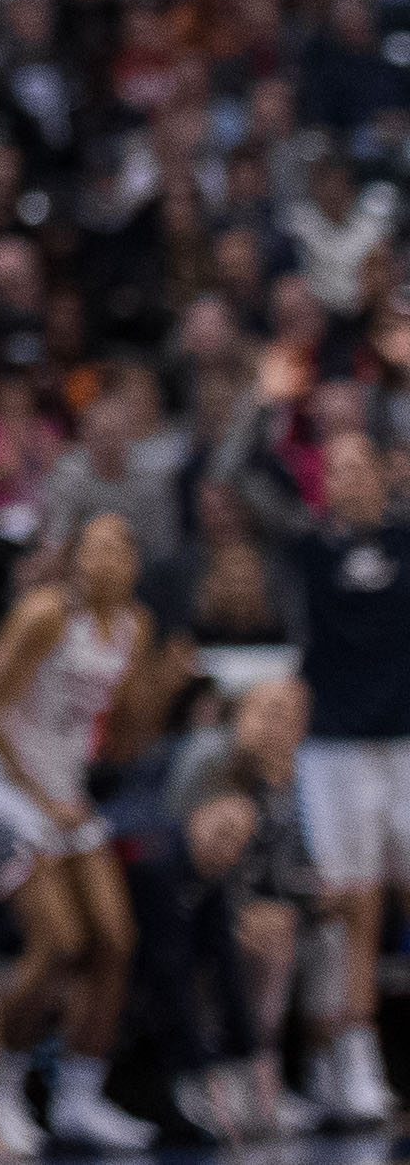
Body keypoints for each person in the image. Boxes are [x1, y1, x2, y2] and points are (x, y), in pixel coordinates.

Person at [0, 511, 152, 1150]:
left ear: (134, 563)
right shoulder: (45, 615)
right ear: (75, 561)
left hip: (62, 789)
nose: (102, 563)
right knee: (58, 942)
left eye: (116, 550)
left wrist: (158, 693)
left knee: (114, 941)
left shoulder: (135, 628)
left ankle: (79, 1099)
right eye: (91, 551)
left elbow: (116, 729)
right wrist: (37, 797)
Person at [296, 432, 410, 1125]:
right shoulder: (308, 549)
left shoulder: (406, 541)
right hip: (335, 746)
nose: (348, 477)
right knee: (353, 906)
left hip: (405, 737)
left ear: (384, 472)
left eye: (359, 464)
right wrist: (270, 404)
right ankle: (351, 1059)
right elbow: (234, 476)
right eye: (334, 467)